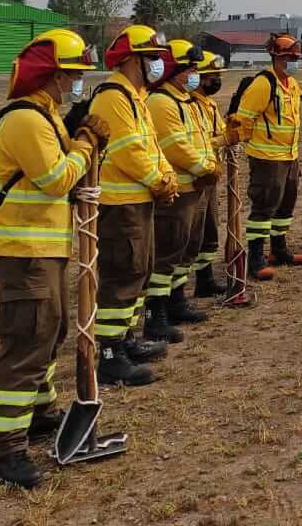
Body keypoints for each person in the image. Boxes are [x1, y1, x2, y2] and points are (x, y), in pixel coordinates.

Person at [0, 29, 105, 488]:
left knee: (49, 333)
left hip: (47, 247)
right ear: (52, 75)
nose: (76, 83)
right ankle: (7, 452)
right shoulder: (26, 120)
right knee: (26, 343)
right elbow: (57, 178)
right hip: (26, 252)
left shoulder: (47, 116)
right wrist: (84, 146)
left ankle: (39, 415)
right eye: (72, 75)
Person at [91, 24, 178, 386]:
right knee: (120, 277)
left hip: (138, 199)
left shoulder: (135, 95)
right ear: (130, 60)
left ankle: (126, 339)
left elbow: (152, 148)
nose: (158, 64)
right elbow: (130, 151)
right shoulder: (113, 96)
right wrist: (159, 180)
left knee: (138, 273)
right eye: (152, 58)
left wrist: (166, 176)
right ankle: (110, 354)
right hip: (119, 203)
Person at [144, 40, 219, 342]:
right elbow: (176, 147)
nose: (194, 74)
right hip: (178, 191)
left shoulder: (187, 101)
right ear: (173, 69)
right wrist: (206, 167)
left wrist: (210, 163)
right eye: (188, 68)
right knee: (167, 253)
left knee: (186, 248)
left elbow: (204, 141)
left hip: (195, 188)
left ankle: (176, 301)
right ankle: (156, 314)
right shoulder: (162, 102)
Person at [230, 33, 302, 279]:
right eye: (288, 57)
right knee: (264, 207)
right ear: (275, 57)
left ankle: (278, 250)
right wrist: (245, 142)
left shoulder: (292, 84)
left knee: (286, 204)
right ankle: (256, 258)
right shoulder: (264, 84)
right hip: (266, 158)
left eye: (295, 57)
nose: (293, 62)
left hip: (289, 156)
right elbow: (244, 117)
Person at [189, 51, 241, 297]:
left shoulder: (208, 105)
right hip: (194, 179)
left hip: (211, 176)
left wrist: (229, 130)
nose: (216, 80)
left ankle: (205, 278)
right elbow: (196, 144)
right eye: (213, 76)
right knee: (194, 233)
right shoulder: (189, 106)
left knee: (210, 230)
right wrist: (224, 139)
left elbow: (219, 134)